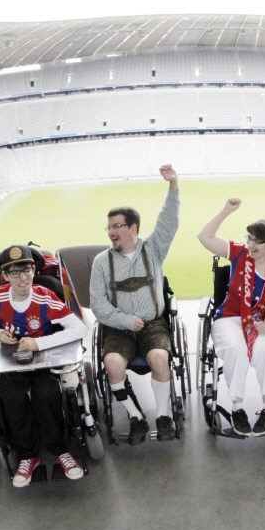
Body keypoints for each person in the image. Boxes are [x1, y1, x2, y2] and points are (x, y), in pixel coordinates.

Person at [90, 164, 179, 445]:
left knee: (160, 358)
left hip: (153, 323)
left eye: (117, 226)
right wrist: (125, 321)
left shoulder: (152, 249)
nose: (111, 232)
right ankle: (135, 416)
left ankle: (163, 416)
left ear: (133, 228)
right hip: (118, 327)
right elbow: (97, 303)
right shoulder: (101, 262)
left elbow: (169, 221)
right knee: (112, 364)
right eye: (109, 227)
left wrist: (173, 185)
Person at [0, 245, 87, 485]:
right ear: (5, 276)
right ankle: (28, 456)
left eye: (27, 270)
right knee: (10, 396)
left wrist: (39, 343)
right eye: (15, 273)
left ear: (34, 270)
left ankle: (60, 450)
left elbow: (79, 328)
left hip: (44, 360)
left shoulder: (45, 296)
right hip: (13, 361)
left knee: (46, 392)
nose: (23, 278)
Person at [197, 199, 265, 436]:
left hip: (261, 320)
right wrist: (226, 210)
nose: (250, 244)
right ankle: (237, 408)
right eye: (249, 237)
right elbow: (204, 237)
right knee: (236, 349)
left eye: (257, 240)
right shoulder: (239, 253)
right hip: (229, 318)